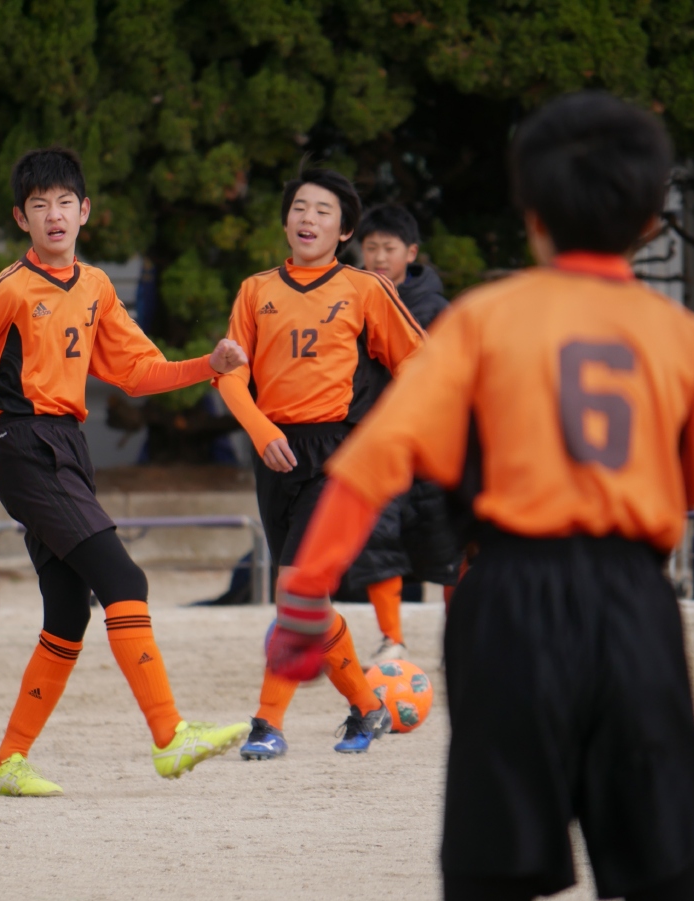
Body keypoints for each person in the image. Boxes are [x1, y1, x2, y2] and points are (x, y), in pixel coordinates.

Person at [269, 91, 694, 900]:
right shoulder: (687, 339)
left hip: (505, 598)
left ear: (531, 214)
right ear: (649, 222)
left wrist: (303, 599)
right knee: (664, 860)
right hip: (632, 599)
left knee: (493, 867)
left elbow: (371, 462)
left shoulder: (482, 321)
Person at [0, 147, 251, 797]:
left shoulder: (97, 286)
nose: (53, 215)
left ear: (85, 211)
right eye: (38, 205)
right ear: (20, 218)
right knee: (124, 578)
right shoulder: (5, 289)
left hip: (68, 448)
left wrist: (209, 365)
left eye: (63, 202)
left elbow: (138, 372)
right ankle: (169, 735)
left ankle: (6, 763)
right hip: (25, 446)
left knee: (67, 613)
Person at [214, 165, 425, 760]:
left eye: (323, 211)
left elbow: (419, 363)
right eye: (299, 208)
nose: (308, 218)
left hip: (337, 455)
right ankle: (367, 706)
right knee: (307, 599)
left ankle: (267, 723)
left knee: (295, 590)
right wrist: (261, 431)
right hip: (274, 453)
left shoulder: (366, 289)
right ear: (286, 222)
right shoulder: (255, 290)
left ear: (344, 230)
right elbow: (229, 375)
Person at [358, 205, 464, 618]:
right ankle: (391, 638)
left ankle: (459, 630)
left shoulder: (436, 309)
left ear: (411, 252)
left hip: (427, 445)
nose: (380, 257)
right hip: (374, 440)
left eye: (389, 248)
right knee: (380, 546)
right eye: (371, 248)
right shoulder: (350, 301)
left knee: (447, 549)